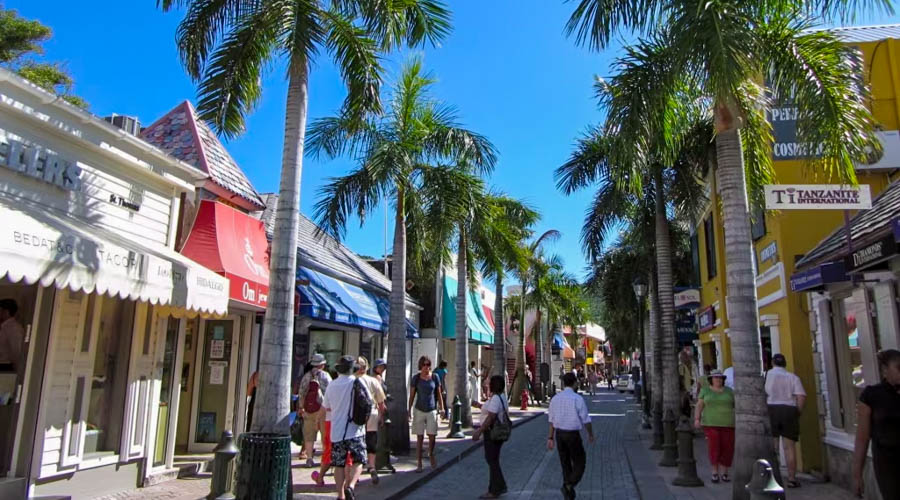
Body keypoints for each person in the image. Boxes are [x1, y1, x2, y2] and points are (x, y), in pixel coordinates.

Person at [322, 355, 370, 500]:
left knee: (339, 464)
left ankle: (340, 495)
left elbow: (327, 407)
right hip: (355, 429)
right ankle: (351, 486)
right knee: (359, 460)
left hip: (337, 431)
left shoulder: (332, 385)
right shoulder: (357, 382)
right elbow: (368, 402)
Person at [854, 349, 900, 499]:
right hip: (887, 462)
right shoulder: (871, 396)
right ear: (885, 371)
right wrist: (857, 474)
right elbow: (862, 437)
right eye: (899, 368)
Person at [548, 372, 594, 500]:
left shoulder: (555, 399)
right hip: (573, 434)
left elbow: (551, 420)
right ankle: (569, 484)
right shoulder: (577, 398)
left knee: (565, 463)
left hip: (559, 434)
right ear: (574, 383)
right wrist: (590, 434)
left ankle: (568, 493)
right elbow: (586, 419)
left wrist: (550, 437)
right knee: (580, 461)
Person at [764, 353, 806, 488]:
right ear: (785, 363)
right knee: (789, 448)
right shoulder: (792, 377)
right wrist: (797, 412)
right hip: (789, 409)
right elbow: (801, 396)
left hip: (772, 409)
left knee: (773, 447)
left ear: (772, 363)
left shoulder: (766, 376)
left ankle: (772, 477)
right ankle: (792, 478)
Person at [472, 375, 510, 499]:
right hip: (495, 433)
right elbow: (489, 409)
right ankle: (499, 485)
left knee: (492, 460)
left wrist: (479, 431)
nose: (487, 384)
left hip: (492, 433)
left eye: (490, 383)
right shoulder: (501, 397)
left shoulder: (495, 399)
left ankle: (494, 489)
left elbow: (491, 417)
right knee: (493, 460)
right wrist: (478, 405)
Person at [694, 370, 735, 483]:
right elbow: (699, 405)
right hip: (711, 424)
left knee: (727, 448)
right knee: (714, 447)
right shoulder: (705, 391)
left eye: (720, 378)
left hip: (728, 424)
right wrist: (697, 419)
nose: (718, 379)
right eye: (716, 377)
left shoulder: (729, 391)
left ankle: (725, 472)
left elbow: (735, 405)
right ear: (711, 379)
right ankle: (715, 472)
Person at [408, 355, 444, 472]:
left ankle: (431, 453)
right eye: (424, 365)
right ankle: (419, 463)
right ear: (420, 366)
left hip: (432, 409)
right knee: (419, 437)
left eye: (428, 365)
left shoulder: (435, 377)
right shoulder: (416, 378)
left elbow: (438, 394)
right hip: (419, 409)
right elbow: (412, 395)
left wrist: (442, 408)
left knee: (432, 435)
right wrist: (409, 410)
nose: (426, 367)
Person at [355, 357, 386, 485]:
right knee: (371, 440)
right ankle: (371, 466)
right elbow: (381, 403)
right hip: (371, 414)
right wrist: (381, 417)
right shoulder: (373, 381)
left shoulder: (352, 381)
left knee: (357, 442)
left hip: (355, 417)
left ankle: (355, 472)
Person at [298, 353, 332, 467]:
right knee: (324, 435)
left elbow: (301, 392)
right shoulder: (325, 376)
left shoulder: (306, 376)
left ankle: (309, 458)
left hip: (308, 409)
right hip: (322, 409)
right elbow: (330, 392)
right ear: (322, 364)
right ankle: (325, 459)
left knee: (309, 436)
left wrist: (301, 407)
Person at [0, 299, 24, 371]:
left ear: (6, 312)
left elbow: (17, 351)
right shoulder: (4, 327)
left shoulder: (14, 328)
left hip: (7, 367)